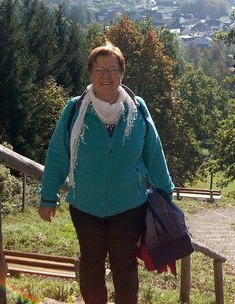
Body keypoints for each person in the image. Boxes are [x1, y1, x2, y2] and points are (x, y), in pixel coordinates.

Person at [39, 41, 174, 304]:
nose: (105, 76)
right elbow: (57, 155)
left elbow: (154, 153)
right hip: (86, 205)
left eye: (112, 69)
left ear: (122, 74)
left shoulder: (138, 108)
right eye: (99, 70)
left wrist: (166, 194)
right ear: (90, 74)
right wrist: (48, 196)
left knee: (125, 267)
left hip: (129, 206)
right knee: (91, 266)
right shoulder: (75, 110)